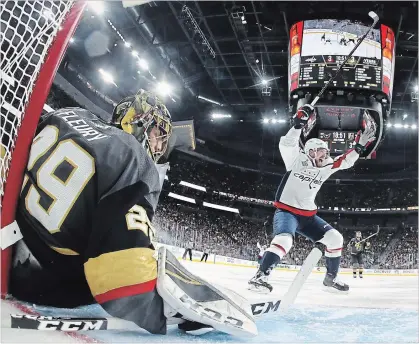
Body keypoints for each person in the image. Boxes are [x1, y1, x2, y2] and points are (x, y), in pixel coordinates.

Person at [10, 89, 255, 337]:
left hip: (11, 249)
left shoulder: (69, 115)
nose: (159, 146)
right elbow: (125, 285)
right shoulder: (135, 159)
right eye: (158, 134)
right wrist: (169, 312)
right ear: (139, 121)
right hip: (39, 282)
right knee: (152, 263)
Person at [248, 104, 376, 293]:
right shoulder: (296, 160)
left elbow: (346, 160)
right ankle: (260, 277)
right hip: (287, 212)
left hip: (308, 217)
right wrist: (298, 125)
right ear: (310, 152)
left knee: (335, 239)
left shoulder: (327, 165)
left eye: (326, 151)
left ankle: (330, 279)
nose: (326, 155)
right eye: (322, 152)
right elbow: (286, 143)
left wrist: (359, 146)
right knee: (284, 240)